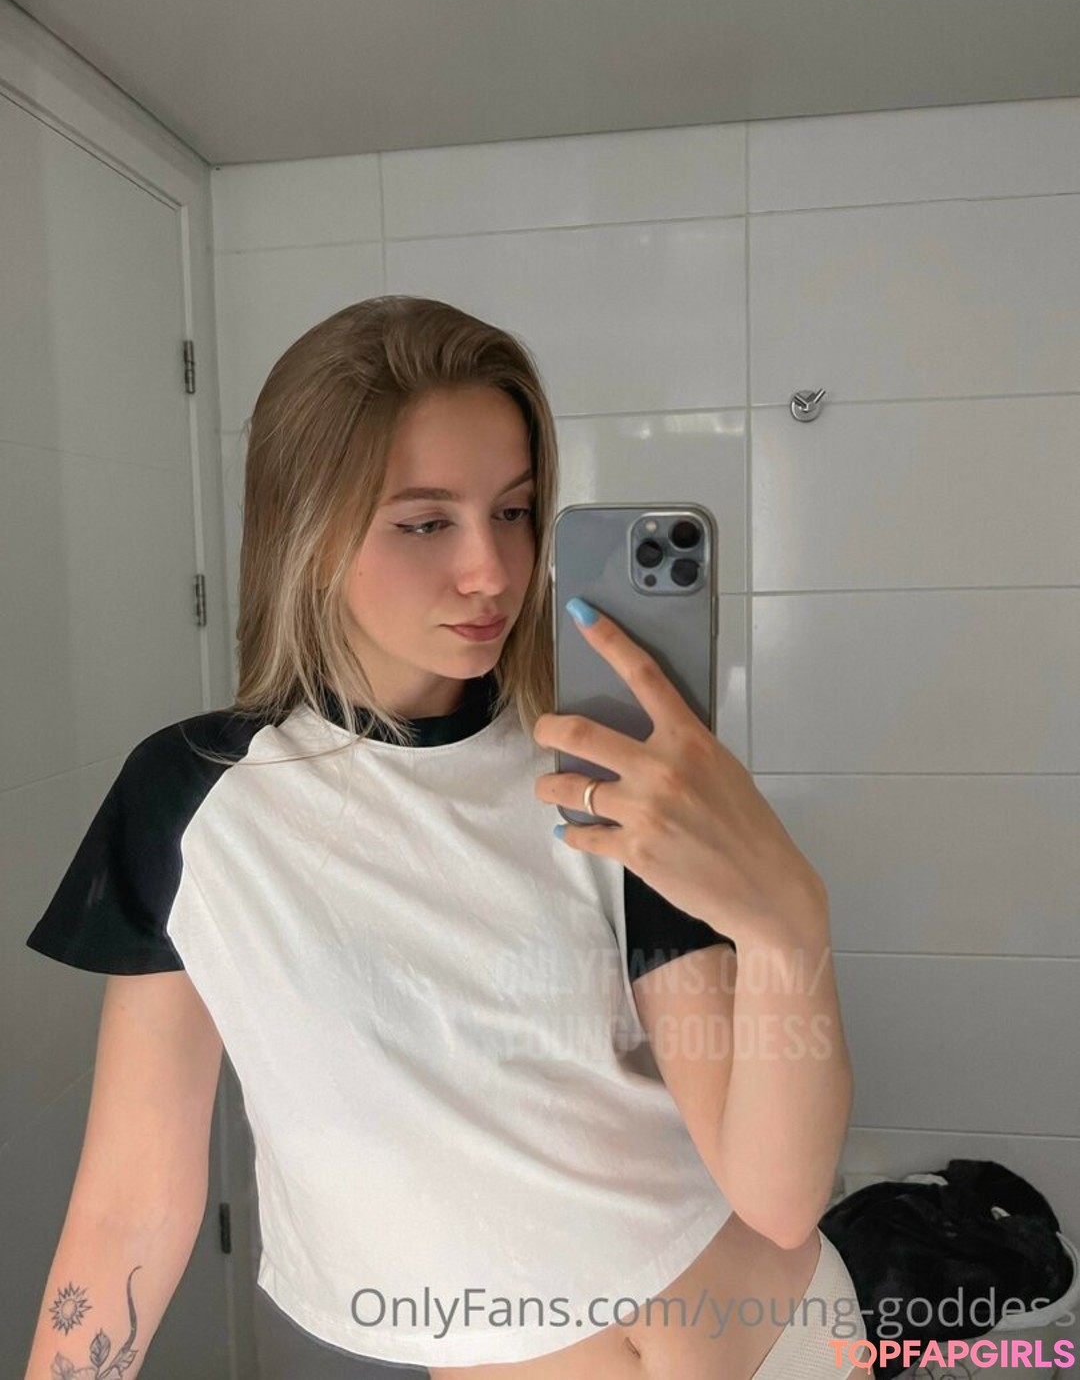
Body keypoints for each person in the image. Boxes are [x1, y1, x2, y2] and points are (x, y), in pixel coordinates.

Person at [22, 296, 869, 1380]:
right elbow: (130, 1204)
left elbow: (777, 1196)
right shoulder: (194, 802)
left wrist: (791, 925)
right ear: (308, 528)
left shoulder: (601, 769)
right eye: (426, 523)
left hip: (786, 1342)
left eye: (513, 512)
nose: (493, 570)